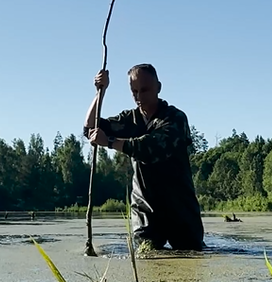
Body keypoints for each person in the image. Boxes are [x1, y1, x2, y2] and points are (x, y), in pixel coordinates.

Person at [84, 64, 205, 251]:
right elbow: (90, 128)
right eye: (134, 91)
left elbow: (150, 147)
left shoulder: (175, 118)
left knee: (191, 258)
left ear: (158, 87)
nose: (139, 97)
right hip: (145, 210)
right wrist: (100, 92)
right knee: (146, 258)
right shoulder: (130, 119)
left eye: (144, 90)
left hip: (180, 209)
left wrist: (109, 142)